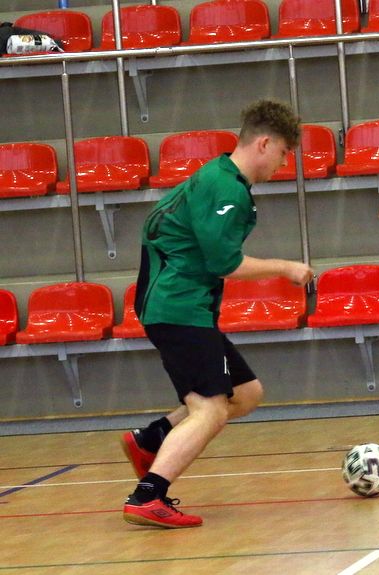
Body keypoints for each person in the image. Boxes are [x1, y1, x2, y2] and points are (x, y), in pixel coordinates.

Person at [120, 100, 314, 529]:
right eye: (283, 152)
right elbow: (226, 263)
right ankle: (148, 495)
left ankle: (152, 438)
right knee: (210, 409)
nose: (284, 163)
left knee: (245, 393)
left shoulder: (218, 176)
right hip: (179, 308)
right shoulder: (226, 188)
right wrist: (285, 268)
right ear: (263, 143)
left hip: (184, 306)